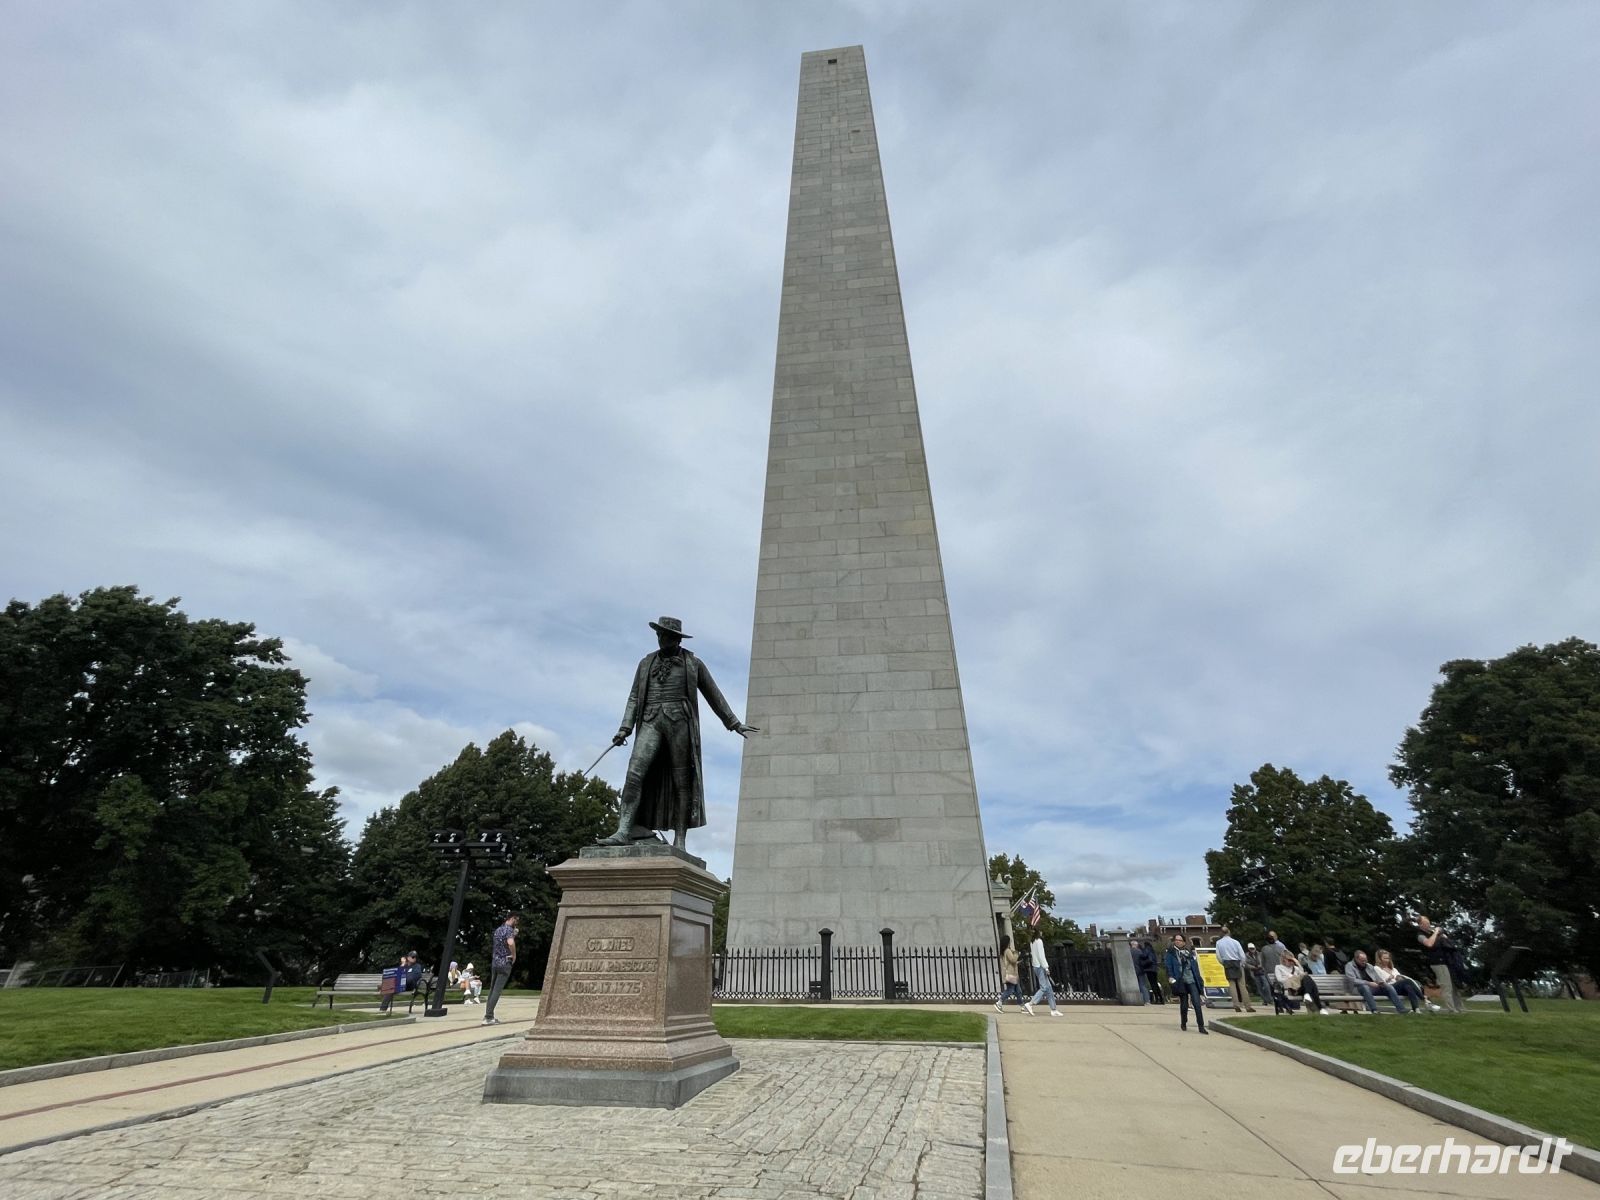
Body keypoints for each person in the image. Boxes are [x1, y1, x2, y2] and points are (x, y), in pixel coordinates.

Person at [600, 616, 758, 851]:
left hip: (679, 722)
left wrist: (733, 723)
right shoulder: (646, 663)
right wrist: (625, 728)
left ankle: (680, 839)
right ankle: (623, 830)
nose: (661, 638)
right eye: (659, 634)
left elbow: (713, 694)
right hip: (650, 720)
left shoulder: (693, 663)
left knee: (681, 782)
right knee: (634, 773)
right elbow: (634, 697)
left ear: (676, 638)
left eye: (665, 635)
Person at [1415, 915, 1465, 1012]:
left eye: (1428, 922)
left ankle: (1460, 1008)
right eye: (1426, 923)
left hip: (1447, 961)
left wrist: (1442, 936)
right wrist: (1436, 932)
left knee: (1454, 985)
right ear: (1420, 925)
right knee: (1447, 986)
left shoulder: (1432, 932)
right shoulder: (1420, 935)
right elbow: (1429, 944)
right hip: (1437, 963)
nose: (1428, 925)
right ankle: (1451, 1009)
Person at [1163, 934, 1208, 1034]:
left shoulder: (1188, 953)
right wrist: (1171, 977)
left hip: (1191, 979)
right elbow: (1168, 966)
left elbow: (1195, 968)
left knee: (1196, 1003)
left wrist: (1199, 980)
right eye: (1176, 940)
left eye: (1180, 940)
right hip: (1180, 980)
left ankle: (1201, 1026)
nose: (1177, 942)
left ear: (1184, 942)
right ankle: (1184, 1022)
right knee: (1184, 1003)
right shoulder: (1171, 953)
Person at [1345, 950, 1408, 1015]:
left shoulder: (1369, 966)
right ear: (1356, 959)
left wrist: (1380, 982)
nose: (1364, 962)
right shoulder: (1349, 966)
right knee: (1365, 987)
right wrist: (1368, 983)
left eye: (1365, 960)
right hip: (1357, 989)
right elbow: (1352, 980)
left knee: (1388, 986)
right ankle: (1374, 1010)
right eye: (1362, 960)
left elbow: (1377, 978)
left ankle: (1401, 1009)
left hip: (1372, 988)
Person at [483, 913, 518, 1026]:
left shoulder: (498, 930)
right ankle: (488, 1017)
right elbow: (510, 943)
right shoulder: (509, 930)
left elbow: (501, 944)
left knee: (492, 989)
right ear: (512, 918)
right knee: (497, 991)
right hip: (505, 963)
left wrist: (513, 935)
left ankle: (489, 1015)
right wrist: (514, 955)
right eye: (516, 920)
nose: (517, 923)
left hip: (495, 962)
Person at [1213, 925, 1256, 1012]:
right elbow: (1242, 955)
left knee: (1232, 985)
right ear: (1229, 932)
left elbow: (1218, 956)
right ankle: (1247, 1006)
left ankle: (1236, 1005)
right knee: (1242, 985)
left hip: (1227, 963)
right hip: (1237, 963)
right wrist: (1242, 964)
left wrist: (1223, 963)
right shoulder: (1235, 942)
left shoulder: (1219, 943)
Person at [1027, 930, 1063, 1016]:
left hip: (1036, 965)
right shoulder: (1039, 941)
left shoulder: (1032, 942)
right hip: (1040, 966)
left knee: (1049, 988)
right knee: (1044, 987)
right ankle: (1030, 1003)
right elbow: (1041, 956)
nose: (1042, 932)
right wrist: (1046, 967)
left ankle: (1053, 1009)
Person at [994, 934, 1030, 1013]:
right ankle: (999, 1002)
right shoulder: (1007, 951)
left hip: (1012, 974)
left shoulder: (1005, 951)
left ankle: (1022, 1006)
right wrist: (1016, 953)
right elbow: (1013, 960)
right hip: (1011, 974)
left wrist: (1017, 962)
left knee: (1018, 991)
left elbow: (1011, 962)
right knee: (1010, 990)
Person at [1244, 942, 1272, 1008]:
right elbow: (1246, 964)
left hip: (1262, 972)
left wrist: (1260, 966)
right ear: (1248, 949)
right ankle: (1265, 1000)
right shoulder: (1246, 955)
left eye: (1253, 948)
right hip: (1254, 972)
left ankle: (1269, 999)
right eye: (1250, 948)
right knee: (1259, 987)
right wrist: (1253, 967)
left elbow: (1263, 961)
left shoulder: (1260, 954)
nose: (1252, 950)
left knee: (1266, 985)